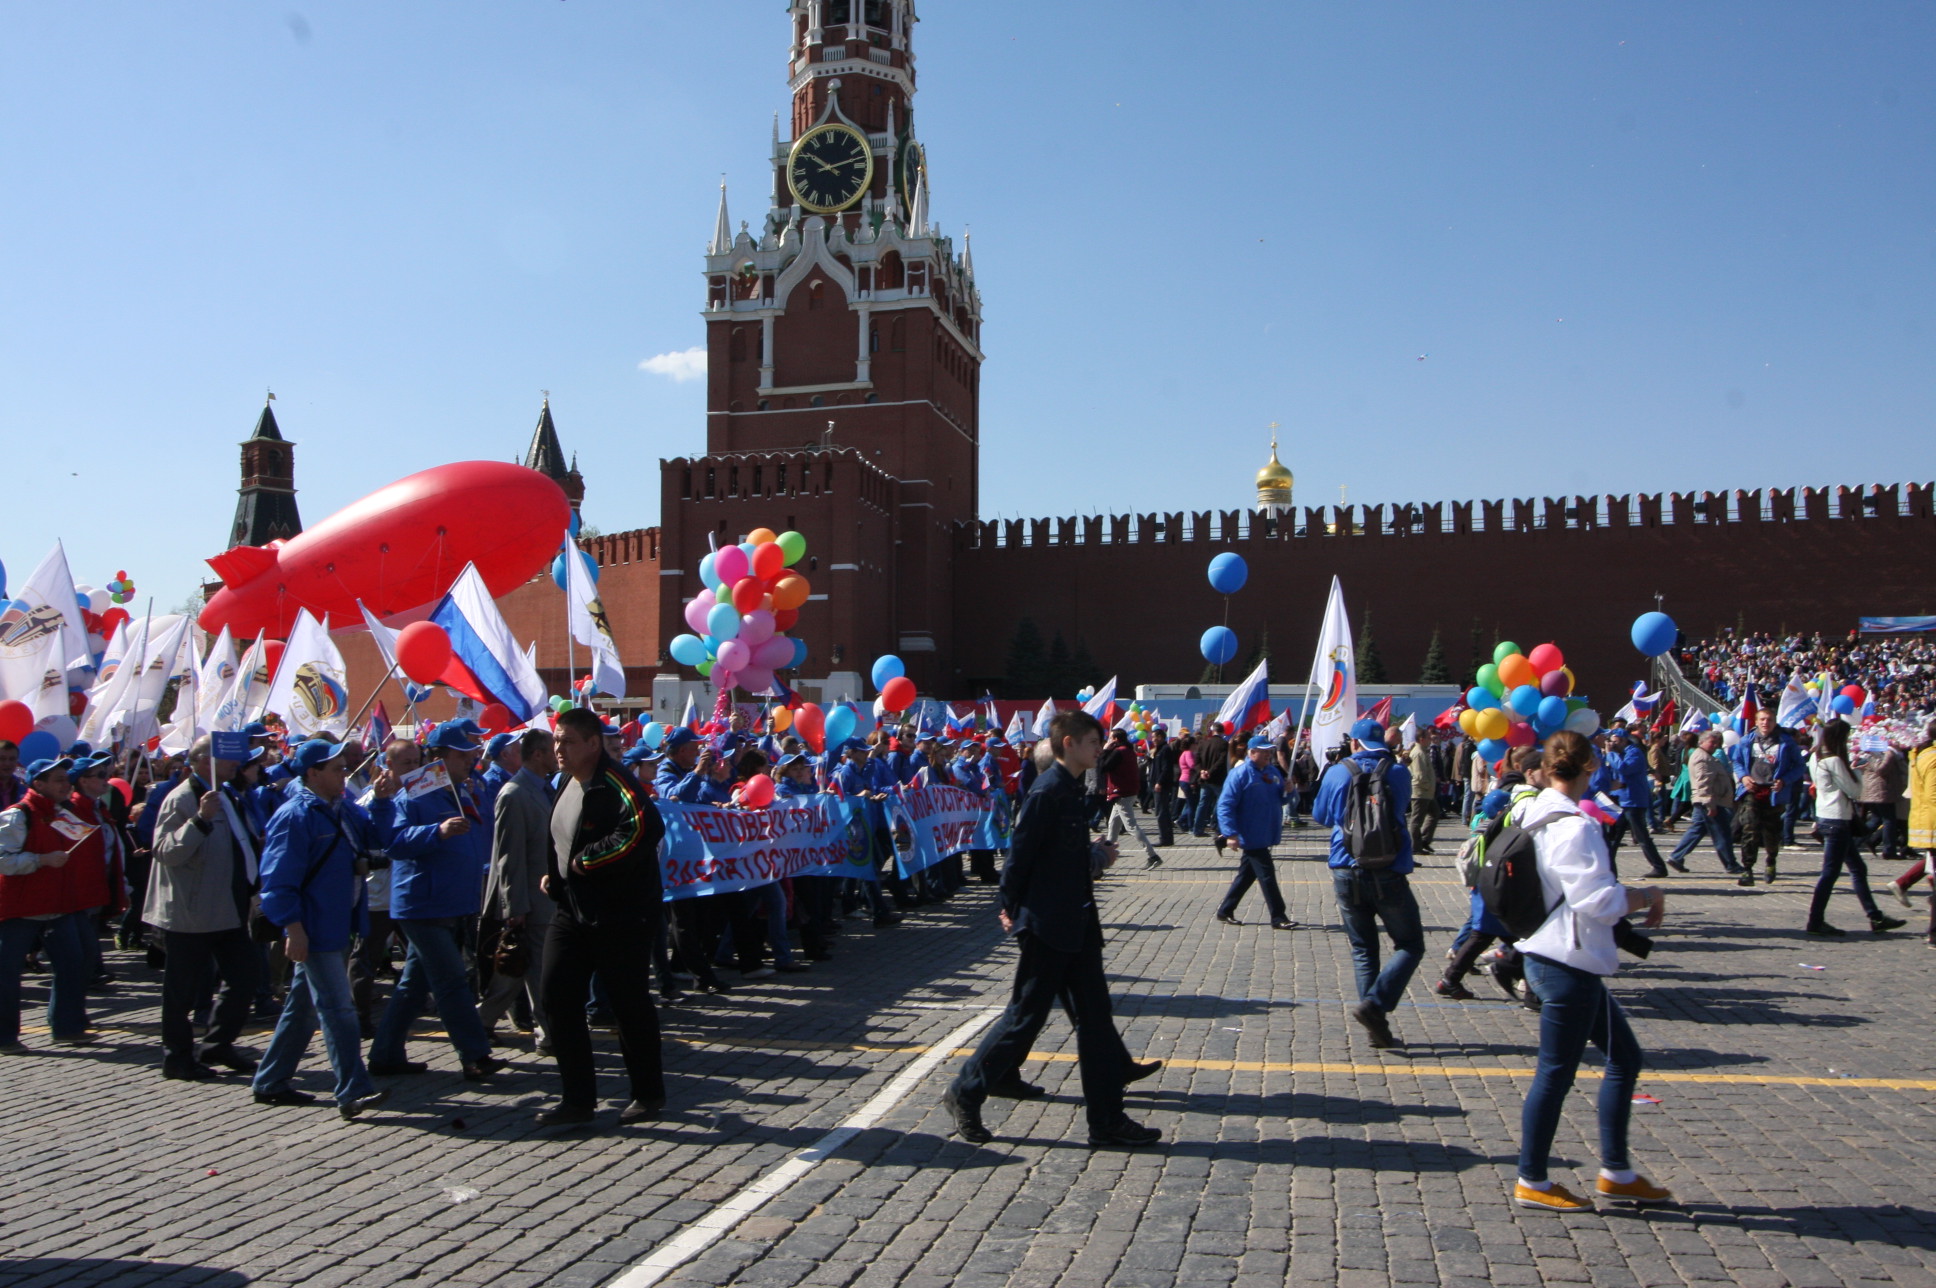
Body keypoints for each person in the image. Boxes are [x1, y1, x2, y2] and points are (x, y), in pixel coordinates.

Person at [942, 709, 1158, 1148]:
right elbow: (1019, 855)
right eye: (1093, 741)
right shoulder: (1048, 792)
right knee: (1024, 1018)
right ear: (1068, 744)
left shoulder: (1073, 789)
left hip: (1076, 921)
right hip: (1047, 925)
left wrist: (1092, 858)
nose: (1100, 748)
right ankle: (965, 1091)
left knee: (1095, 1021)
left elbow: (1061, 857)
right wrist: (1010, 905)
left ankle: (1107, 1121)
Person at [1510, 730, 1674, 1212]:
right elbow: (1595, 900)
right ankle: (1533, 1180)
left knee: (1624, 1057)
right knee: (1555, 1073)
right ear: (1588, 767)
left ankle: (1617, 1172)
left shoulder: (1531, 809)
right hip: (1566, 959)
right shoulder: (1575, 824)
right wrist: (1647, 896)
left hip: (1554, 952)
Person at [535, 707, 668, 1127]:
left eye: (568, 741)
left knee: (629, 1004)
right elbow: (562, 836)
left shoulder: (616, 782)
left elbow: (645, 828)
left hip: (621, 914)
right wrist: (555, 877)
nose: (558, 748)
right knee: (556, 995)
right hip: (573, 911)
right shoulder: (565, 781)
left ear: (593, 744)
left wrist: (585, 863)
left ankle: (647, 1095)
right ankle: (578, 1100)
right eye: (556, 740)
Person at [249, 739, 388, 1119]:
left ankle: (270, 1080)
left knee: (303, 1008)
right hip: (314, 928)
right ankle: (352, 1090)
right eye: (337, 768)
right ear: (313, 773)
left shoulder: (341, 809)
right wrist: (294, 929)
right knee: (338, 1009)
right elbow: (276, 882)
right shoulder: (295, 815)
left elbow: (378, 834)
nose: (345, 773)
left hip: (336, 923)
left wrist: (382, 798)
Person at [367, 723, 503, 1080]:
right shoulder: (414, 793)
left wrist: (478, 795)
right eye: (462, 755)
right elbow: (394, 842)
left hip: (452, 901)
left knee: (414, 985)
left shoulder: (463, 789)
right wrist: (436, 832)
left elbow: (483, 835)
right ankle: (475, 1055)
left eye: (472, 752)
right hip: (423, 903)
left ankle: (384, 1054)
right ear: (439, 757)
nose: (471, 759)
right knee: (452, 980)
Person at [147, 736, 261, 1080]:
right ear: (200, 761)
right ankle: (177, 1057)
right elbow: (166, 851)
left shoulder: (228, 794)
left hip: (228, 907)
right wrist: (198, 821)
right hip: (190, 912)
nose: (234, 764)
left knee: (243, 978)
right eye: (225, 758)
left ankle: (218, 1044)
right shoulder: (181, 799)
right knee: (182, 991)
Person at [1312, 718, 1423, 1050]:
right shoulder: (1398, 771)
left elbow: (1319, 815)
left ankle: (1375, 1020)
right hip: (1388, 868)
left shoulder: (1336, 771)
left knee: (1363, 949)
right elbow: (1401, 809)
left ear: (1356, 744)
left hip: (1346, 867)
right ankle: (1375, 1007)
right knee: (1409, 944)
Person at [0, 757, 94, 1050]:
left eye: (67, 779)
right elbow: (3, 861)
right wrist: (41, 860)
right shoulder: (17, 816)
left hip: (58, 905)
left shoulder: (62, 813)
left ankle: (66, 1026)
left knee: (73, 965)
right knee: (7, 974)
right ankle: (5, 1037)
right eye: (59, 780)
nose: (66, 785)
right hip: (21, 908)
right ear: (38, 784)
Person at [478, 728, 559, 1052]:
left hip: (546, 898)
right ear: (538, 754)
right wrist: (515, 908)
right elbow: (508, 857)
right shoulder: (514, 794)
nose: (559, 754)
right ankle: (549, 1034)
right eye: (554, 749)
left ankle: (480, 1022)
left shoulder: (543, 790)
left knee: (515, 973)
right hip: (530, 901)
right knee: (538, 971)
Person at [1804, 720, 1904, 937]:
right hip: (1837, 819)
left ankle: (1875, 916)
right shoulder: (1834, 760)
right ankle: (1815, 919)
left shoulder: (1816, 756)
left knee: (1858, 868)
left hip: (1826, 815)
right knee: (1830, 873)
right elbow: (1855, 791)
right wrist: (1858, 771)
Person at [1213, 736, 1295, 930]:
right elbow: (1225, 806)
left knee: (1247, 875)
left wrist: (1289, 791)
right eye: (1263, 751)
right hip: (1250, 834)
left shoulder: (1273, 772)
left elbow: (1281, 800)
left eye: (1269, 751)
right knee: (1267, 875)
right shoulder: (1239, 774)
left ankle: (1225, 910)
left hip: (1266, 831)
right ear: (1252, 752)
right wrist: (1231, 834)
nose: (1268, 755)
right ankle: (1278, 916)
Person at [1731, 706, 1806, 886]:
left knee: (1771, 834)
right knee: (1749, 827)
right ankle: (1747, 869)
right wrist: (1743, 776)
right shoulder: (1747, 741)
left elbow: (1799, 767)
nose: (1766, 723)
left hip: (1773, 793)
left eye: (1769, 720)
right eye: (1762, 719)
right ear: (1756, 722)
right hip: (1752, 790)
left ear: (1775, 722)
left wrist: (1785, 781)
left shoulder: (1786, 743)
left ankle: (1771, 860)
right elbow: (1737, 760)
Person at [1665, 730, 1740, 874]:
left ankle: (1676, 857)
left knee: (1697, 829)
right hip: (1711, 802)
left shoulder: (1705, 756)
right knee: (1722, 833)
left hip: (1707, 801)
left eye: (1716, 742)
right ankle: (1731, 864)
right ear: (1701, 742)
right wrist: (1709, 804)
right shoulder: (1702, 758)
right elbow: (1703, 783)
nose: (1715, 745)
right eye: (1711, 742)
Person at [1602, 727, 1669, 878]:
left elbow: (1623, 768)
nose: (1612, 745)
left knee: (1641, 836)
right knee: (1613, 836)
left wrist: (1611, 753)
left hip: (1633, 801)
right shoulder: (1616, 754)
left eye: (1615, 742)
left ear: (1624, 740)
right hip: (1619, 799)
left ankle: (1659, 867)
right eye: (1611, 742)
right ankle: (1607, 868)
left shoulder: (1634, 752)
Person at [1099, 729, 1161, 870]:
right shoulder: (1128, 750)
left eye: (1110, 737)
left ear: (1115, 739)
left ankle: (1152, 855)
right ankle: (1107, 854)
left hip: (1122, 792)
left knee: (1131, 826)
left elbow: (1103, 767)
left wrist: (1105, 751)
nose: (1108, 740)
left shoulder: (1118, 752)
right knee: (1113, 824)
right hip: (1127, 791)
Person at [1407, 726, 1439, 855]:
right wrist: (1428, 785)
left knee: (1434, 813)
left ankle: (1424, 841)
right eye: (1428, 737)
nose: (1430, 739)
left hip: (1427, 792)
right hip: (1421, 791)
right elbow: (1420, 775)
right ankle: (1415, 846)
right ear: (1421, 739)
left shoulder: (1422, 751)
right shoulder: (1418, 753)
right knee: (1416, 820)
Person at [1145, 728, 1179, 847]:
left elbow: (1166, 768)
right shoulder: (1158, 750)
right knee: (1162, 811)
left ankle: (1164, 838)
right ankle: (1167, 838)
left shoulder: (1165, 749)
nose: (1152, 739)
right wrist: (1149, 759)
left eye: (1154, 737)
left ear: (1160, 737)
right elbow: (1155, 766)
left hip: (1161, 785)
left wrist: (1159, 782)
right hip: (1155, 783)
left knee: (1161, 812)